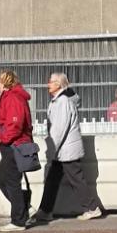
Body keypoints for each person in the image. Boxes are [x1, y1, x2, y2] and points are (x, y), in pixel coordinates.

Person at [36, 72, 105, 224]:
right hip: (63, 150)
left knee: (76, 179)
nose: (48, 84)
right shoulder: (58, 101)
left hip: (66, 150)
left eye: (51, 81)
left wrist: (52, 149)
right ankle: (45, 210)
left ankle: (92, 208)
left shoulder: (62, 102)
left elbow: (59, 129)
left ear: (59, 85)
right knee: (52, 180)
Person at [0, 70, 34, 232]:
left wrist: (4, 139)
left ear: (5, 82)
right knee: (2, 179)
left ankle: (18, 220)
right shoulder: (10, 97)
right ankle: (24, 208)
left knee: (10, 181)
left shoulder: (13, 98)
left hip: (14, 145)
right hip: (10, 144)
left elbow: (15, 123)